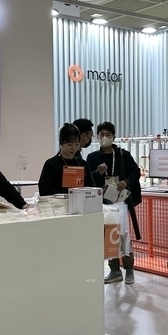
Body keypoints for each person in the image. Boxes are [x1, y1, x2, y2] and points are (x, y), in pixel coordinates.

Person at [87, 121, 142, 285]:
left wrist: (126, 181)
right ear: (97, 137)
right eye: (101, 135)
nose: (105, 137)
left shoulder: (122, 155)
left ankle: (129, 269)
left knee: (123, 235)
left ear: (114, 137)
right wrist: (98, 173)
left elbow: (136, 172)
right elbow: (88, 179)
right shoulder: (92, 157)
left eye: (108, 135)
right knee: (109, 236)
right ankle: (115, 270)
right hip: (103, 203)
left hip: (121, 201)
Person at [38, 123, 95, 196]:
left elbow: (91, 187)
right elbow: (44, 190)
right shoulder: (51, 164)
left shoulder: (83, 164)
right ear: (61, 142)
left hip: (80, 201)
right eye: (69, 145)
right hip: (58, 202)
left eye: (77, 144)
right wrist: (68, 194)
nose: (73, 148)